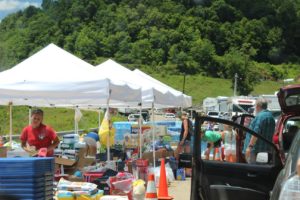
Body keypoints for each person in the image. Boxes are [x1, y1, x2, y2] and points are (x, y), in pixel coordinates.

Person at [243, 98, 275, 164]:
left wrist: (249, 147)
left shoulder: (260, 116)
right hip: (266, 150)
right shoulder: (271, 117)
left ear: (258, 106)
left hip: (255, 151)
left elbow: (256, 133)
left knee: (253, 170)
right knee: (262, 170)